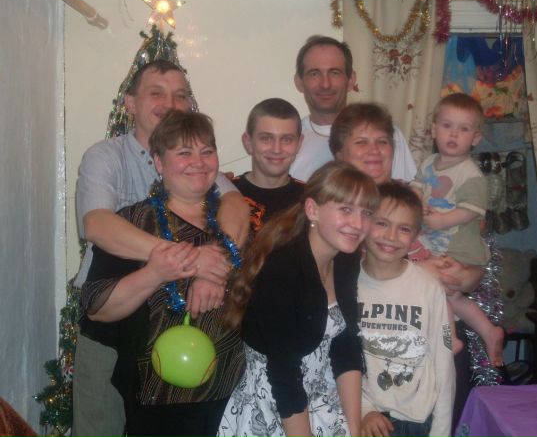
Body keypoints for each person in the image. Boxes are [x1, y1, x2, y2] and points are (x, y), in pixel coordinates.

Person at [72, 59, 249, 437]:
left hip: (200, 362)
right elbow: (97, 224)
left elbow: (235, 204)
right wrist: (185, 259)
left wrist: (217, 264)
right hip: (114, 333)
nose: (170, 103)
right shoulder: (106, 156)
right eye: (157, 93)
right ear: (130, 104)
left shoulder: (197, 162)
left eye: (180, 95)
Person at [328, 101, 484, 430]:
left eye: (382, 141)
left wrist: (466, 275)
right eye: (362, 142)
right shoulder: (334, 212)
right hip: (361, 365)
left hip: (429, 355)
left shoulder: (416, 196)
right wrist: (417, 266)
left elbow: (467, 251)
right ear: (340, 154)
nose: (374, 150)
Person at [219, 161, 380, 437]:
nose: (358, 224)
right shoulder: (281, 269)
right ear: (312, 210)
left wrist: (353, 429)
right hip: (277, 407)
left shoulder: (345, 257)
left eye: (366, 212)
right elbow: (284, 374)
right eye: (346, 209)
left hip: (322, 397)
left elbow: (345, 345)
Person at [409, 93, 504, 367]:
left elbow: (473, 210)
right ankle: (488, 330)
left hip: (460, 245)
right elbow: (416, 187)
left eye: (463, 129)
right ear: (433, 130)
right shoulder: (428, 163)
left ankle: (450, 337)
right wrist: (416, 202)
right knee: (450, 293)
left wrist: (442, 221)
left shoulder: (470, 173)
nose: (453, 134)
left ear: (475, 138)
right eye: (447, 125)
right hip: (438, 243)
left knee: (440, 288)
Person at [358, 181, 455, 437]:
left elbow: (444, 364)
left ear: (415, 235)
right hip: (365, 417)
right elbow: (336, 360)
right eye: (382, 223)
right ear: (364, 222)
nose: (391, 237)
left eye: (404, 229)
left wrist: (441, 431)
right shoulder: (345, 285)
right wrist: (363, 409)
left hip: (417, 421)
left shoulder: (428, 288)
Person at [290, 35, 416, 183]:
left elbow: (403, 194)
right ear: (299, 82)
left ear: (351, 80)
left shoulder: (387, 135)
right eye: (314, 73)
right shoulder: (288, 144)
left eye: (334, 73)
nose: (325, 84)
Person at [234, 98, 305, 233]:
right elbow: (196, 239)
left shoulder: (312, 198)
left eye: (287, 139)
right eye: (266, 138)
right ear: (248, 143)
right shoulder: (223, 194)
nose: (277, 149)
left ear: (299, 143)